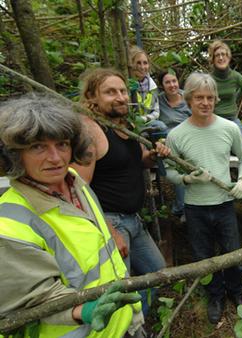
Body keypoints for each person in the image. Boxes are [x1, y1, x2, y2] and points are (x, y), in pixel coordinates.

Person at [0, 94, 144, 337]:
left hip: (120, 324)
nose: (55, 158)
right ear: (14, 155)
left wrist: (131, 312)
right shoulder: (10, 223)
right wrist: (85, 310)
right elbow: (32, 300)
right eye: (38, 147)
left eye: (62, 144)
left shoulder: (74, 181)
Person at [73, 68, 170, 315]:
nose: (120, 96)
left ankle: (136, 322)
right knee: (120, 291)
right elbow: (77, 189)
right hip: (110, 222)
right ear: (92, 97)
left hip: (133, 221)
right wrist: (109, 231)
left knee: (156, 273)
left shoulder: (124, 126)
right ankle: (128, 328)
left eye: (123, 91)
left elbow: (140, 161)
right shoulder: (90, 130)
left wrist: (155, 154)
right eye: (110, 92)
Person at [165, 72, 242, 324]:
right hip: (195, 207)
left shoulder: (229, 128)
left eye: (210, 97)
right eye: (199, 97)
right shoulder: (177, 135)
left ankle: (235, 291)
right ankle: (215, 295)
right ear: (188, 99)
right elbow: (169, 171)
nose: (205, 102)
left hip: (224, 204)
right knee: (204, 256)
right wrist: (187, 180)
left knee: (232, 252)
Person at [157, 68, 192, 218]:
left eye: (174, 81)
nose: (172, 85)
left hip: (187, 138)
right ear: (162, 85)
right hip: (166, 141)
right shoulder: (158, 100)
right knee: (176, 165)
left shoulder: (188, 98)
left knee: (182, 164)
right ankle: (181, 207)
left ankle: (182, 208)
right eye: (167, 82)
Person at [208, 40, 242, 139]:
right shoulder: (208, 79)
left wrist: (235, 98)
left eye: (223, 54)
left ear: (228, 57)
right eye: (217, 55)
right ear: (213, 59)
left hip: (232, 119)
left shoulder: (235, 76)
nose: (221, 58)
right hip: (214, 120)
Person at [128, 45, 166, 131]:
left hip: (148, 122)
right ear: (131, 64)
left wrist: (144, 119)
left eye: (145, 63)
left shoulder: (152, 86)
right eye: (138, 63)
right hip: (129, 123)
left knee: (162, 127)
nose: (142, 67)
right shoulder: (125, 83)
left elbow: (156, 112)